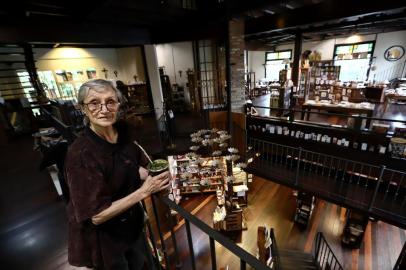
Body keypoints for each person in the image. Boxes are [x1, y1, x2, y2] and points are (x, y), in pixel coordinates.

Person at [64, 79, 170, 270]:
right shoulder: (81, 154)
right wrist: (143, 192)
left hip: (132, 225)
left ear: (118, 104)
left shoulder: (122, 132)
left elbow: (138, 160)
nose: (104, 109)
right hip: (106, 240)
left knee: (144, 263)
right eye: (94, 103)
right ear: (82, 108)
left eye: (110, 101)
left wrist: (146, 173)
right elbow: (96, 215)